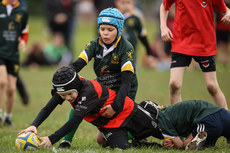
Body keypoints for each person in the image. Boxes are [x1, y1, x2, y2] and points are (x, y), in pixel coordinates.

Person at [18, 66, 163, 149]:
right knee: (120, 147)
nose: (66, 98)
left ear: (75, 87)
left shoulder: (89, 91)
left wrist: (51, 139)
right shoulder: (65, 90)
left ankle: (150, 109)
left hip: (128, 113)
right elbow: (47, 108)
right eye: (62, 95)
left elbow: (74, 121)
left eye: (69, 94)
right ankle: (144, 143)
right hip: (109, 124)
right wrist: (34, 125)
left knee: (164, 133)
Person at [58, 8, 139, 148]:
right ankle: (66, 140)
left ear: (119, 29)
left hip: (123, 92)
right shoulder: (95, 44)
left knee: (105, 139)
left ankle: (140, 133)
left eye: (110, 29)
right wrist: (61, 80)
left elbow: (127, 82)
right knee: (80, 101)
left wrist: (116, 106)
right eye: (102, 29)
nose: (105, 33)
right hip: (104, 89)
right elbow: (77, 64)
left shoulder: (126, 48)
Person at [160, 0, 230, 109]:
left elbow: (225, 10)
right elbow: (164, 6)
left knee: (212, 86)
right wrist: (163, 27)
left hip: (205, 44)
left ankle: (226, 120)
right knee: (174, 84)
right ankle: (177, 123)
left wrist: (228, 14)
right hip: (181, 43)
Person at [158, 100, 230, 150]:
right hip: (223, 113)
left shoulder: (164, 116)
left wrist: (174, 143)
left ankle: (196, 141)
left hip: (209, 120)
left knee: (186, 144)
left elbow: (179, 145)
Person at [0, 0, 29, 126]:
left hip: (13, 55)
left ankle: (7, 118)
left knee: (11, 89)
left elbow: (24, 32)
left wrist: (23, 42)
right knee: (2, 82)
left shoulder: (22, 12)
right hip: (0, 52)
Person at [44, 0, 77, 64]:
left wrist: (65, 16)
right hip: (53, 21)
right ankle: (53, 61)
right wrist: (55, 16)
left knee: (68, 41)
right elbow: (48, 8)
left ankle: (68, 61)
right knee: (54, 41)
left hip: (68, 20)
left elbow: (73, 7)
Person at [215, 0, 230, 66]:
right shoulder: (220, 4)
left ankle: (226, 60)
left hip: (227, 28)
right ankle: (221, 60)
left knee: (225, 45)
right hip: (220, 28)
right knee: (221, 45)